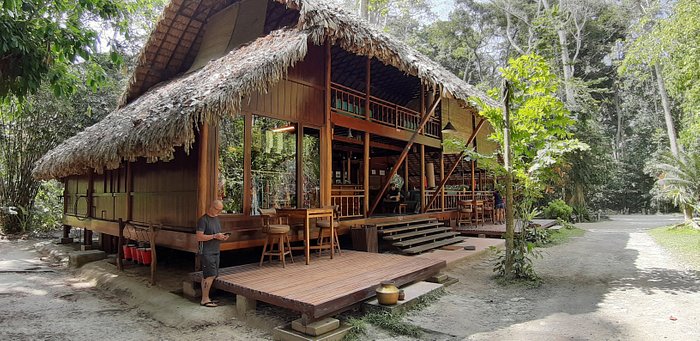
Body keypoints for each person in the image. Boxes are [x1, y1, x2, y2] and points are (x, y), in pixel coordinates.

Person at [196, 200, 228, 307]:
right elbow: (199, 237)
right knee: (210, 275)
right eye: (217, 209)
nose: (219, 212)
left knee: (209, 275)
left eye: (220, 210)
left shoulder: (216, 219)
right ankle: (205, 299)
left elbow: (216, 234)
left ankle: (206, 296)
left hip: (215, 250)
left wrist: (222, 237)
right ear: (212, 207)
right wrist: (214, 236)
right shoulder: (203, 220)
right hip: (206, 251)